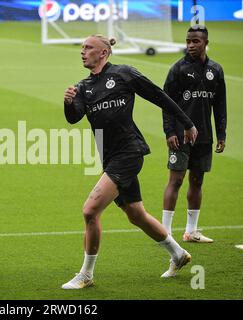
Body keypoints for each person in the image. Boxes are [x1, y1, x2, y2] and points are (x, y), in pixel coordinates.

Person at [61, 34, 198, 289]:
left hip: (129, 152)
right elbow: (74, 117)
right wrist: (69, 103)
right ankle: (178, 254)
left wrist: (187, 123)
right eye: (81, 47)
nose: (83, 51)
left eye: (88, 48)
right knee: (136, 215)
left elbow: (158, 95)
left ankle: (86, 275)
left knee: (90, 211)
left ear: (103, 53)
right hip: (110, 157)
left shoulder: (123, 74)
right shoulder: (82, 87)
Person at [161, 26, 227, 243]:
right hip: (180, 135)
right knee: (176, 179)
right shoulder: (178, 69)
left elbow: (220, 104)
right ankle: (165, 231)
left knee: (197, 180)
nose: (190, 45)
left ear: (206, 42)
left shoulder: (215, 70)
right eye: (188, 41)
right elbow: (166, 102)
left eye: (195, 41)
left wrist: (221, 134)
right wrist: (170, 131)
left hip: (204, 136)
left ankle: (191, 231)